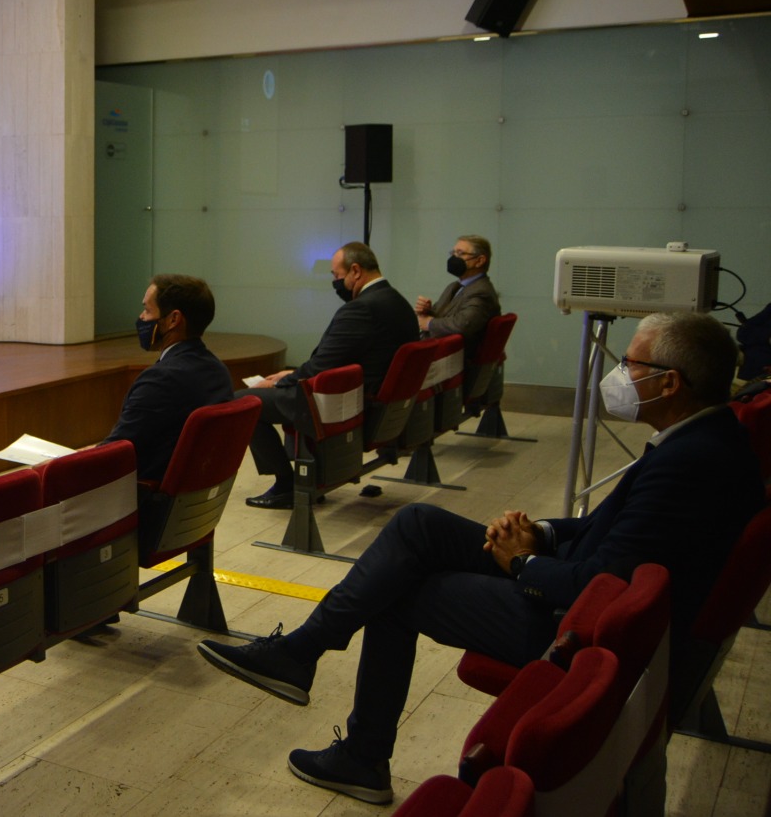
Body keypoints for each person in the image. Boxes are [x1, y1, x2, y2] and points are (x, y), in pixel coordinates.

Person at [196, 311, 761, 806]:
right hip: (580, 588)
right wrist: (537, 531)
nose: (618, 373)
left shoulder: (689, 463)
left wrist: (521, 563)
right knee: (419, 523)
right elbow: (600, 532)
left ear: (670, 382)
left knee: (399, 592)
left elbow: (599, 583)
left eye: (630, 363)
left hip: (573, 627)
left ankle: (359, 750)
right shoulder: (704, 440)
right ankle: (303, 653)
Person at [236, 243, 419, 508]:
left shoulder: (361, 308)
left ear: (355, 271)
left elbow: (321, 367)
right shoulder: (398, 302)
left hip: (348, 407)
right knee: (288, 386)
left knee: (245, 401)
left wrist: (280, 380)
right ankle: (301, 482)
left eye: (336, 276)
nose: (335, 283)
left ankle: (287, 485)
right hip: (380, 406)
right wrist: (292, 374)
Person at [101, 274, 234, 481]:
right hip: (189, 496)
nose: (142, 317)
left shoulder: (160, 380)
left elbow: (115, 455)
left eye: (147, 310)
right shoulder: (218, 371)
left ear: (173, 319)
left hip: (142, 498)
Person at [415, 235, 500, 360]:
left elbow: (463, 324)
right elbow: (446, 316)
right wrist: (427, 311)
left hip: (453, 359)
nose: (454, 258)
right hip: (440, 352)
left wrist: (429, 323)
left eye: (460, 253)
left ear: (480, 261)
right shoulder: (455, 286)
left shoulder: (482, 292)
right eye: (453, 253)